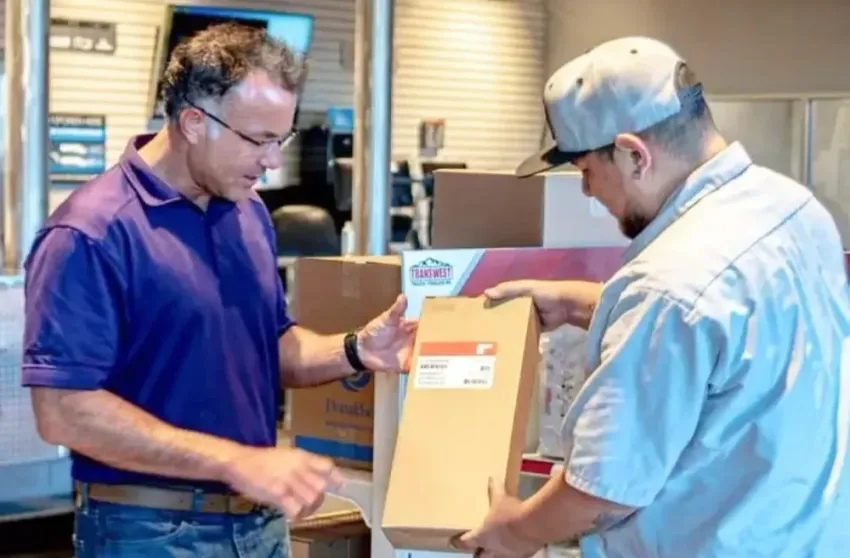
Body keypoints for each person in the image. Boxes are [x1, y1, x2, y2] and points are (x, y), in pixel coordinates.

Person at [22, 23, 415, 558]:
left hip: (260, 524)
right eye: (258, 140)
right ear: (193, 122)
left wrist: (354, 350)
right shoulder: (89, 233)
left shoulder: (248, 212)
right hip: (150, 532)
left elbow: (268, 346)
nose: (272, 161)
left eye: (281, 140)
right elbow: (63, 410)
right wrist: (235, 461)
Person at [455, 36, 850, 558]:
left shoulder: (667, 283)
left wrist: (515, 531)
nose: (587, 191)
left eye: (586, 171)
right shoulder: (794, 207)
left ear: (634, 155)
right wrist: (581, 304)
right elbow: (728, 337)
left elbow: (601, 490)